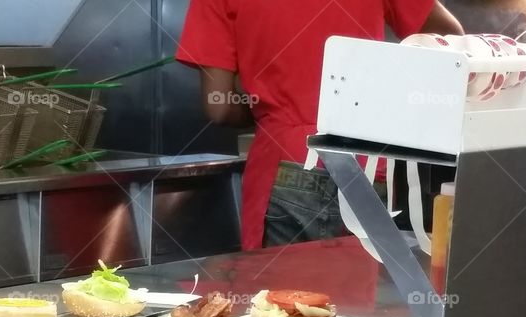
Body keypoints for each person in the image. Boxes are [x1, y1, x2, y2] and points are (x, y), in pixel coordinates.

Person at [176, 0, 463, 250]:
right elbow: (452, 42)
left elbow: (220, 108)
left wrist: (268, 106)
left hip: (288, 161)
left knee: (287, 304)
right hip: (368, 161)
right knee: (359, 305)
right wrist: (388, 96)